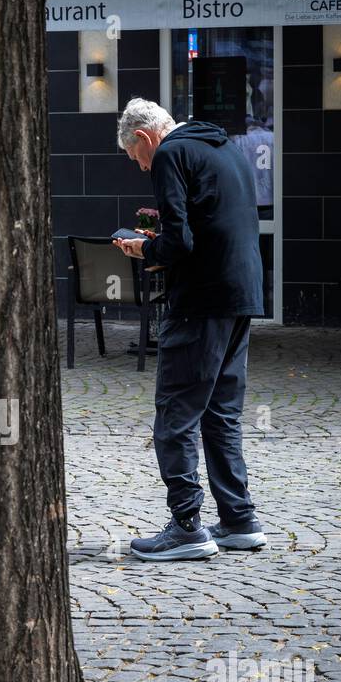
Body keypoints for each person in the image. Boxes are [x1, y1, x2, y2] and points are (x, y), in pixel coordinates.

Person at [116, 97, 267, 561]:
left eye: (135, 157)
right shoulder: (226, 149)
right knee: (221, 412)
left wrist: (144, 248)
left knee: (176, 414)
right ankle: (239, 519)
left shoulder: (169, 154)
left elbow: (179, 242)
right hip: (241, 294)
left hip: (199, 300)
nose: (142, 167)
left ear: (145, 138)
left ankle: (186, 527)